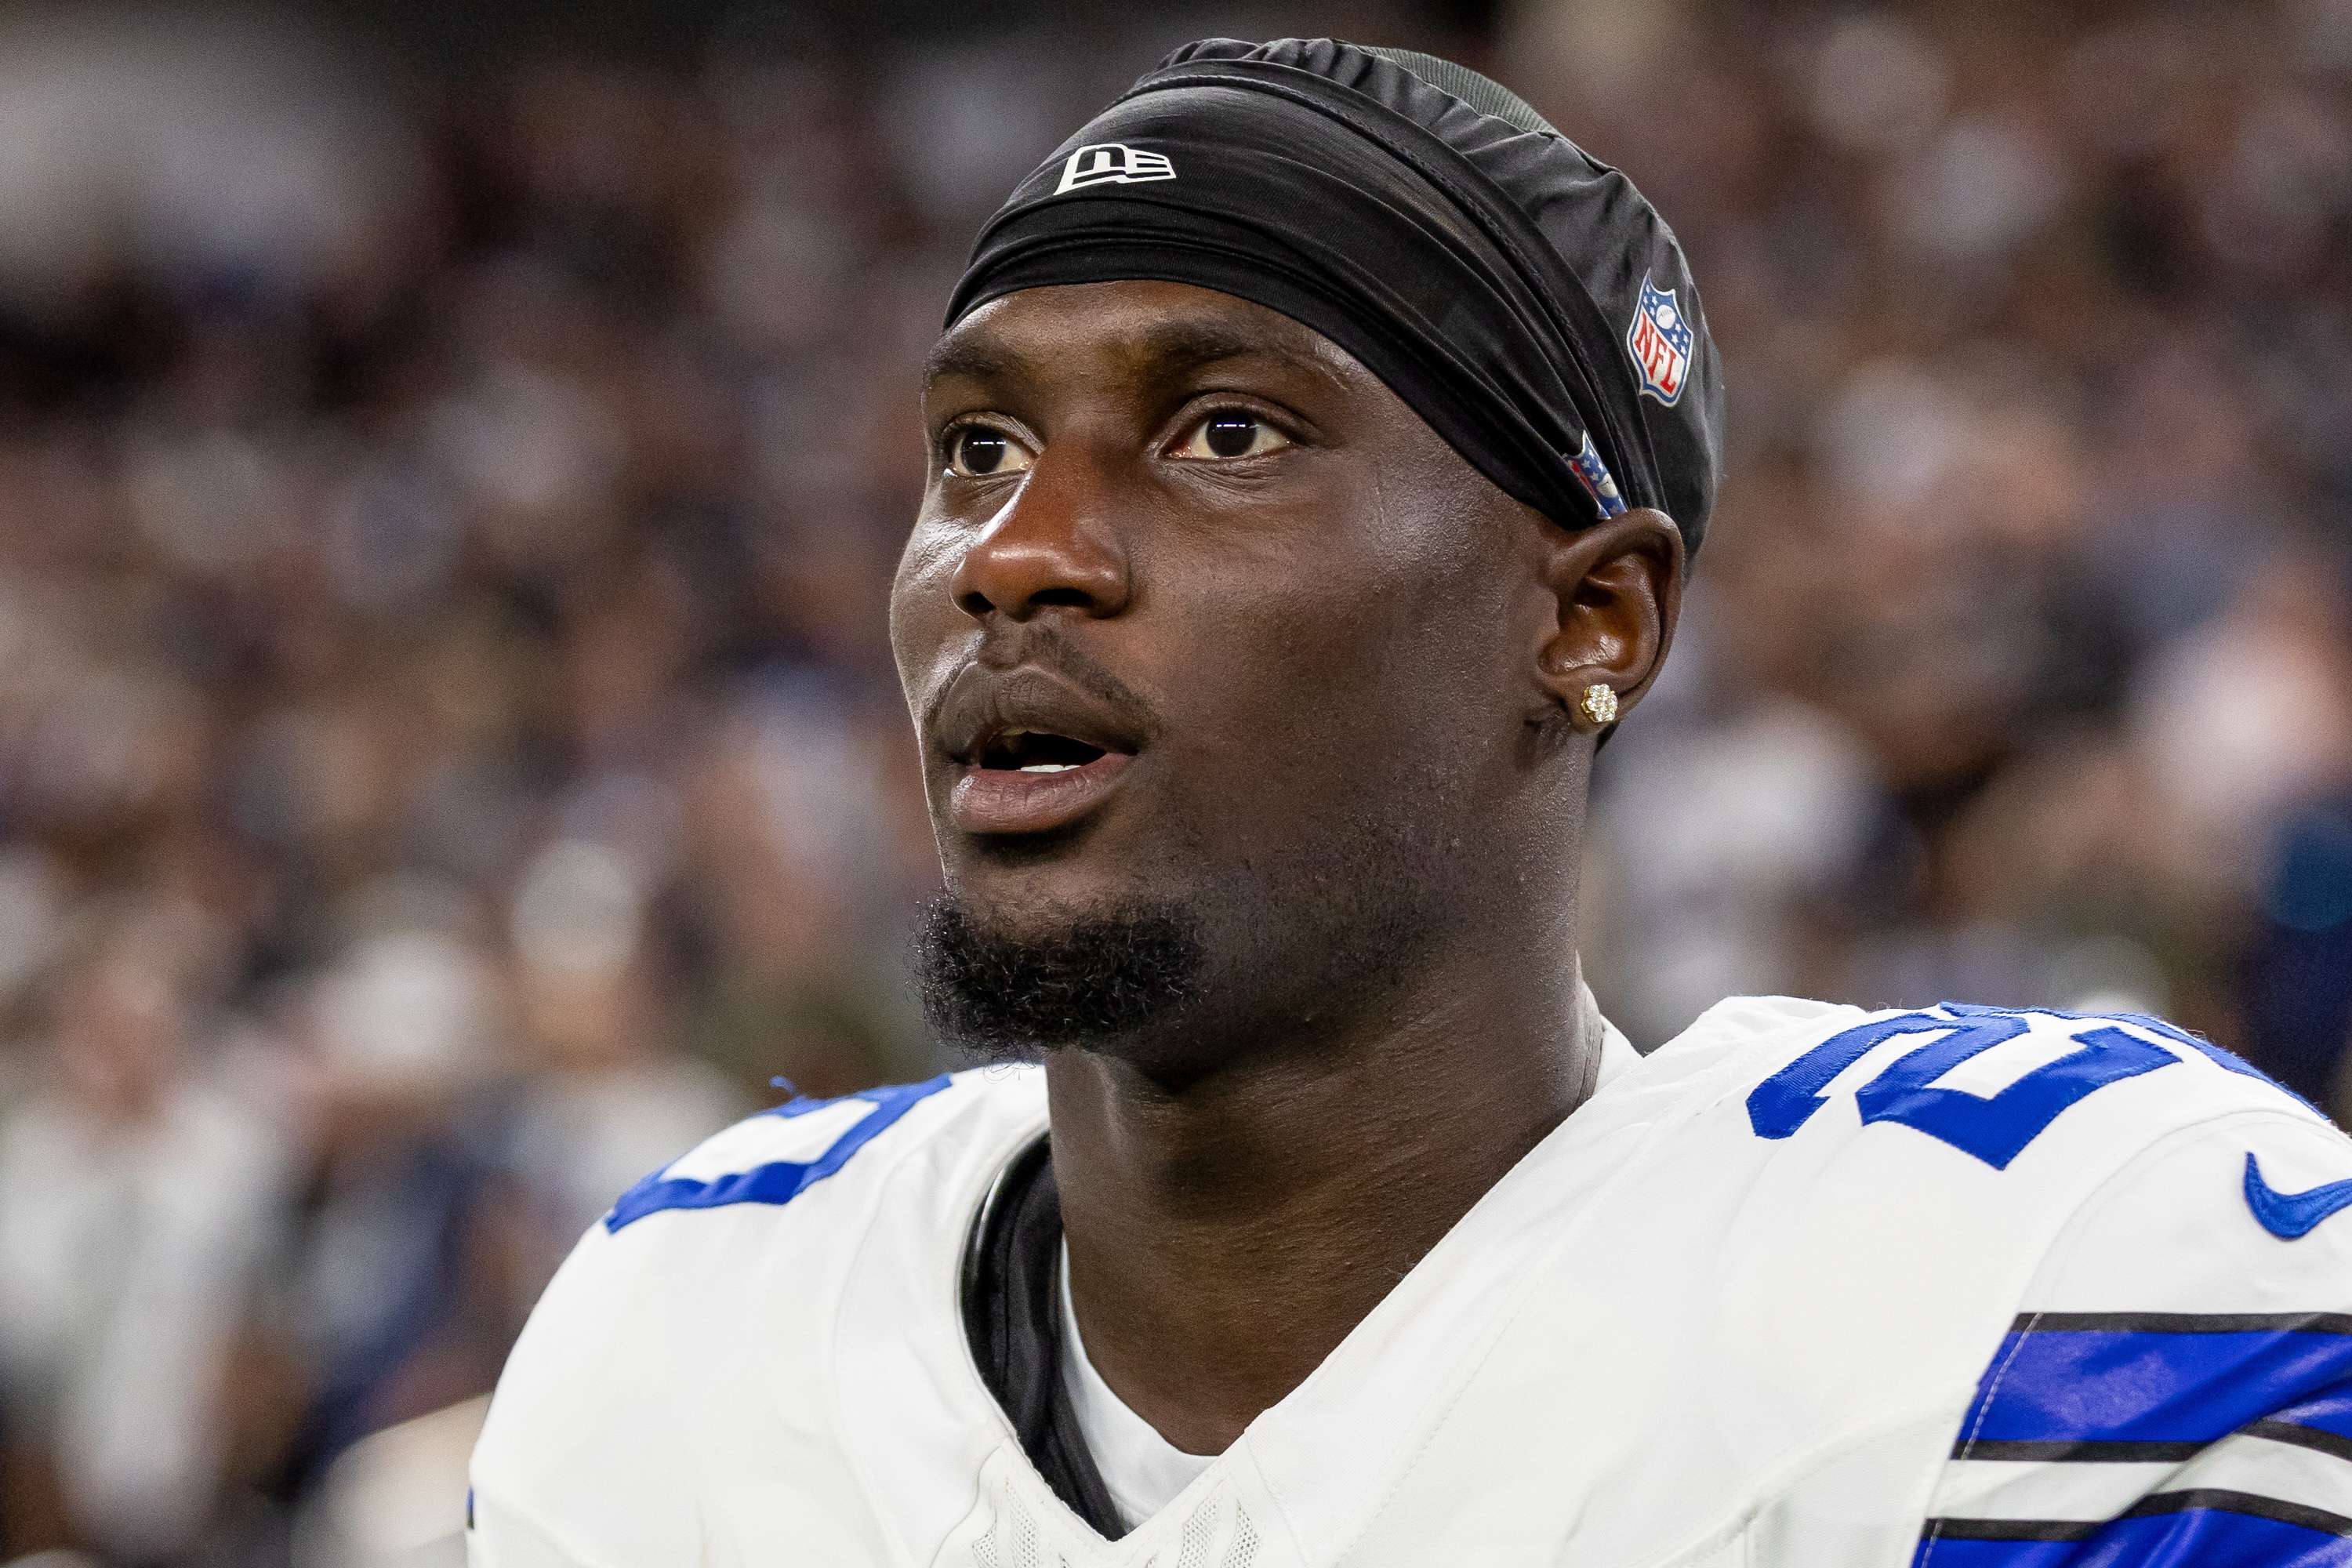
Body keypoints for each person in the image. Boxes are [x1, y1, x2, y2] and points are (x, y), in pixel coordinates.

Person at [466, 39, 2352, 1566]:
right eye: (978, 448)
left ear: (1587, 613)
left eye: (1227, 432)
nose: (1015, 555)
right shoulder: (692, 1333)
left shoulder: (2029, 1294)